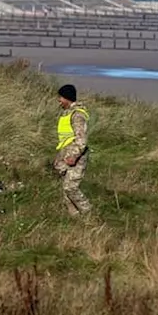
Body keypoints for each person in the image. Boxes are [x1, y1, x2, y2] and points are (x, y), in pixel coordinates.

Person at [53, 84, 92, 216]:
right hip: (66, 155)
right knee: (66, 190)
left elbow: (81, 139)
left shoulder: (77, 115)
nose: (59, 100)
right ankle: (75, 218)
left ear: (68, 98)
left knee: (70, 188)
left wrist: (74, 156)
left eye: (61, 97)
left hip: (76, 157)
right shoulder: (67, 113)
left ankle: (88, 212)